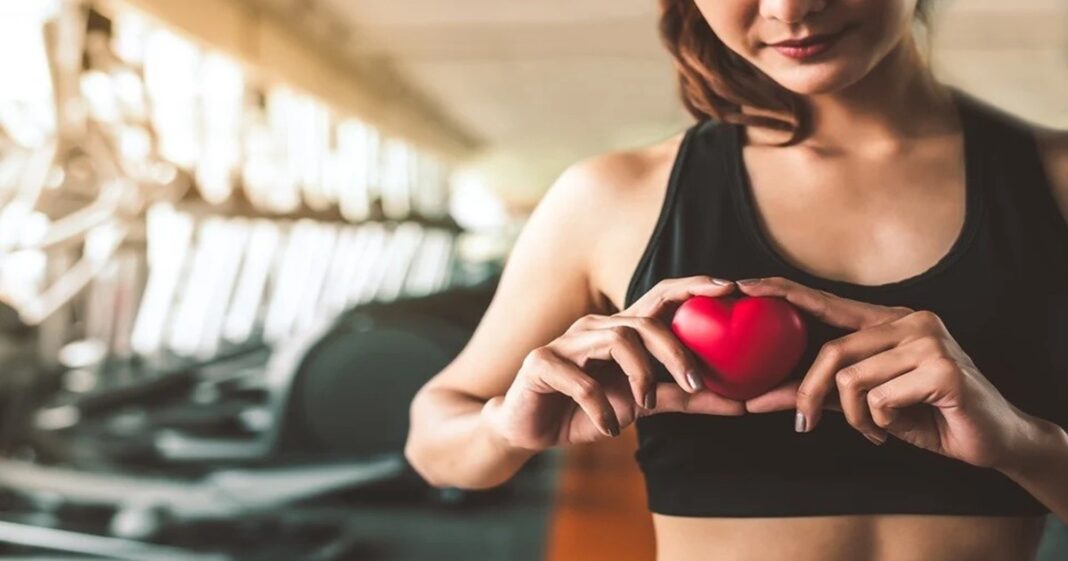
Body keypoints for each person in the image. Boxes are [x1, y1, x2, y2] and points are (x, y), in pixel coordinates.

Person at [404, 0, 1068, 559]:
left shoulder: (1057, 184)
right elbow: (433, 442)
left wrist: (1025, 446)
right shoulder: (614, 198)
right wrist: (502, 427)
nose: (789, 9)